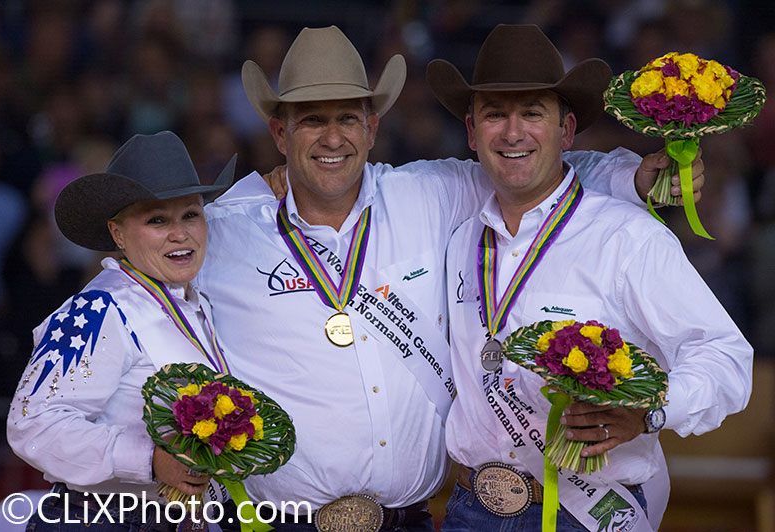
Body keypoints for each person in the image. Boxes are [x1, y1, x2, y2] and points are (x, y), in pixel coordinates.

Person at [196, 26, 705, 532]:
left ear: (372, 129)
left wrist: (632, 179)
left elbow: (535, 166)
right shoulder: (221, 234)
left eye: (347, 118)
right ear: (280, 134)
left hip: (415, 519)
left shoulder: (431, 192)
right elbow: (143, 273)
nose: (333, 138)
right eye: (311, 121)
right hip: (281, 522)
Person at [425, 24, 753, 531]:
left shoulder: (627, 236)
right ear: (472, 132)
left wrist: (648, 412)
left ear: (567, 131)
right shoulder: (459, 238)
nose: (513, 133)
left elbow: (725, 357)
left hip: (589, 511)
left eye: (533, 112)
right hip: (474, 508)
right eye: (495, 114)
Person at [6, 131, 235, 531]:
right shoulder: (98, 309)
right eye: (157, 220)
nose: (179, 233)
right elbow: (33, 422)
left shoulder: (196, 304)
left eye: (191, 215)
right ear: (118, 233)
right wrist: (148, 458)